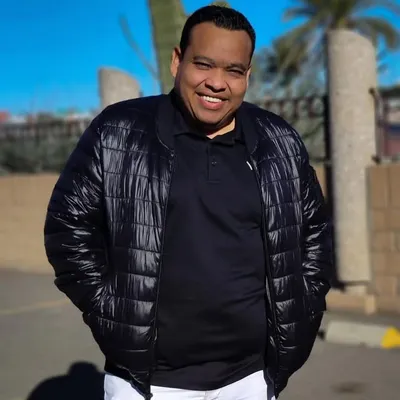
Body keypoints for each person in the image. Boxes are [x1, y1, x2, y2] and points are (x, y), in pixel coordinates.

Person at [44, 5, 333, 400]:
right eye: (203, 64)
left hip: (251, 378)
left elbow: (315, 233)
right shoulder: (119, 132)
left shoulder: (278, 140)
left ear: (247, 76)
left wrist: (305, 305)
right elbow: (68, 229)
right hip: (146, 384)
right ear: (177, 61)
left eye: (233, 71)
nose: (217, 82)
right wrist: (110, 311)